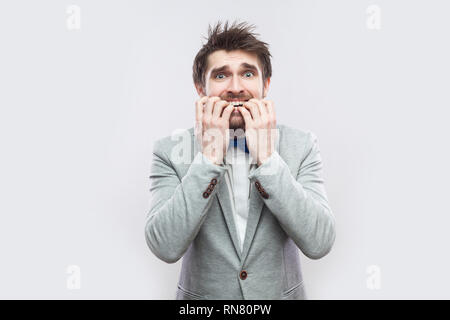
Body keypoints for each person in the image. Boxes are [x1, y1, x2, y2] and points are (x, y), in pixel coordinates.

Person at [145, 20, 336, 300]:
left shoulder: (301, 145)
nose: (236, 87)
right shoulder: (169, 150)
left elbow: (319, 242)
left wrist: (268, 159)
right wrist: (208, 159)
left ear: (265, 84)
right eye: (221, 76)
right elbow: (164, 246)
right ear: (201, 88)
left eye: (247, 74)